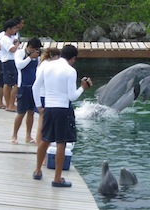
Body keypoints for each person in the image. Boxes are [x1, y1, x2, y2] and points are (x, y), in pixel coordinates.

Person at [32, 44, 93, 187]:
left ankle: (37, 170)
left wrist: (39, 106)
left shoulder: (46, 66)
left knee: (45, 140)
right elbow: (72, 96)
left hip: (49, 107)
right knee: (61, 143)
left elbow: (35, 87)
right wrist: (83, 88)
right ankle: (57, 178)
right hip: (63, 109)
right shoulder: (70, 71)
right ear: (73, 58)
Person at [10, 37, 43, 144]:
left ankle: (28, 136)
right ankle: (14, 135)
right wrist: (30, 57)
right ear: (29, 47)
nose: (36, 51)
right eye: (35, 49)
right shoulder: (20, 53)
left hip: (33, 88)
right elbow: (19, 65)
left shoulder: (37, 56)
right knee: (21, 113)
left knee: (31, 113)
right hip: (23, 87)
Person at [35, 47, 61, 147]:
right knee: (43, 127)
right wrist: (39, 106)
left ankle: (41, 149)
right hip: (45, 97)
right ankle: (41, 150)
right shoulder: (48, 65)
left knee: (42, 125)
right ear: (56, 57)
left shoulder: (42, 63)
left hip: (42, 96)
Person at [0, 20, 20, 112]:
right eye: (14, 28)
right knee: (15, 84)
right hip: (9, 61)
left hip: (10, 61)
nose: (15, 30)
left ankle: (9, 104)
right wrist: (16, 44)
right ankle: (10, 104)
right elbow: (12, 49)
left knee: (8, 83)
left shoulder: (10, 38)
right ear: (9, 29)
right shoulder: (5, 39)